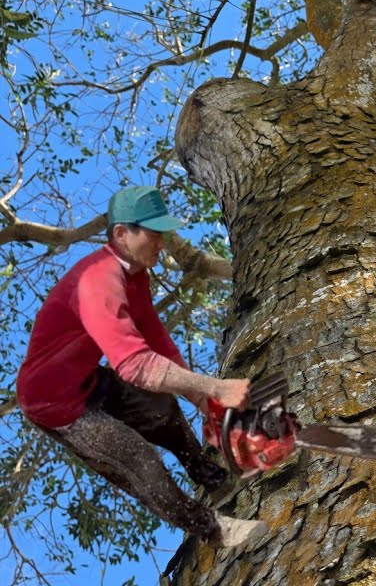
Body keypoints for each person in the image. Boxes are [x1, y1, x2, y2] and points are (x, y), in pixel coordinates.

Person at [16, 186, 266, 548]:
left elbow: (154, 339)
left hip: (87, 379)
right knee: (137, 460)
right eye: (153, 233)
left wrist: (202, 400)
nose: (161, 242)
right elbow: (134, 365)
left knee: (162, 409)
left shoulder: (136, 276)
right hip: (54, 405)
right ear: (122, 234)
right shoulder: (96, 282)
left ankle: (209, 475)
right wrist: (216, 387)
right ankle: (215, 530)